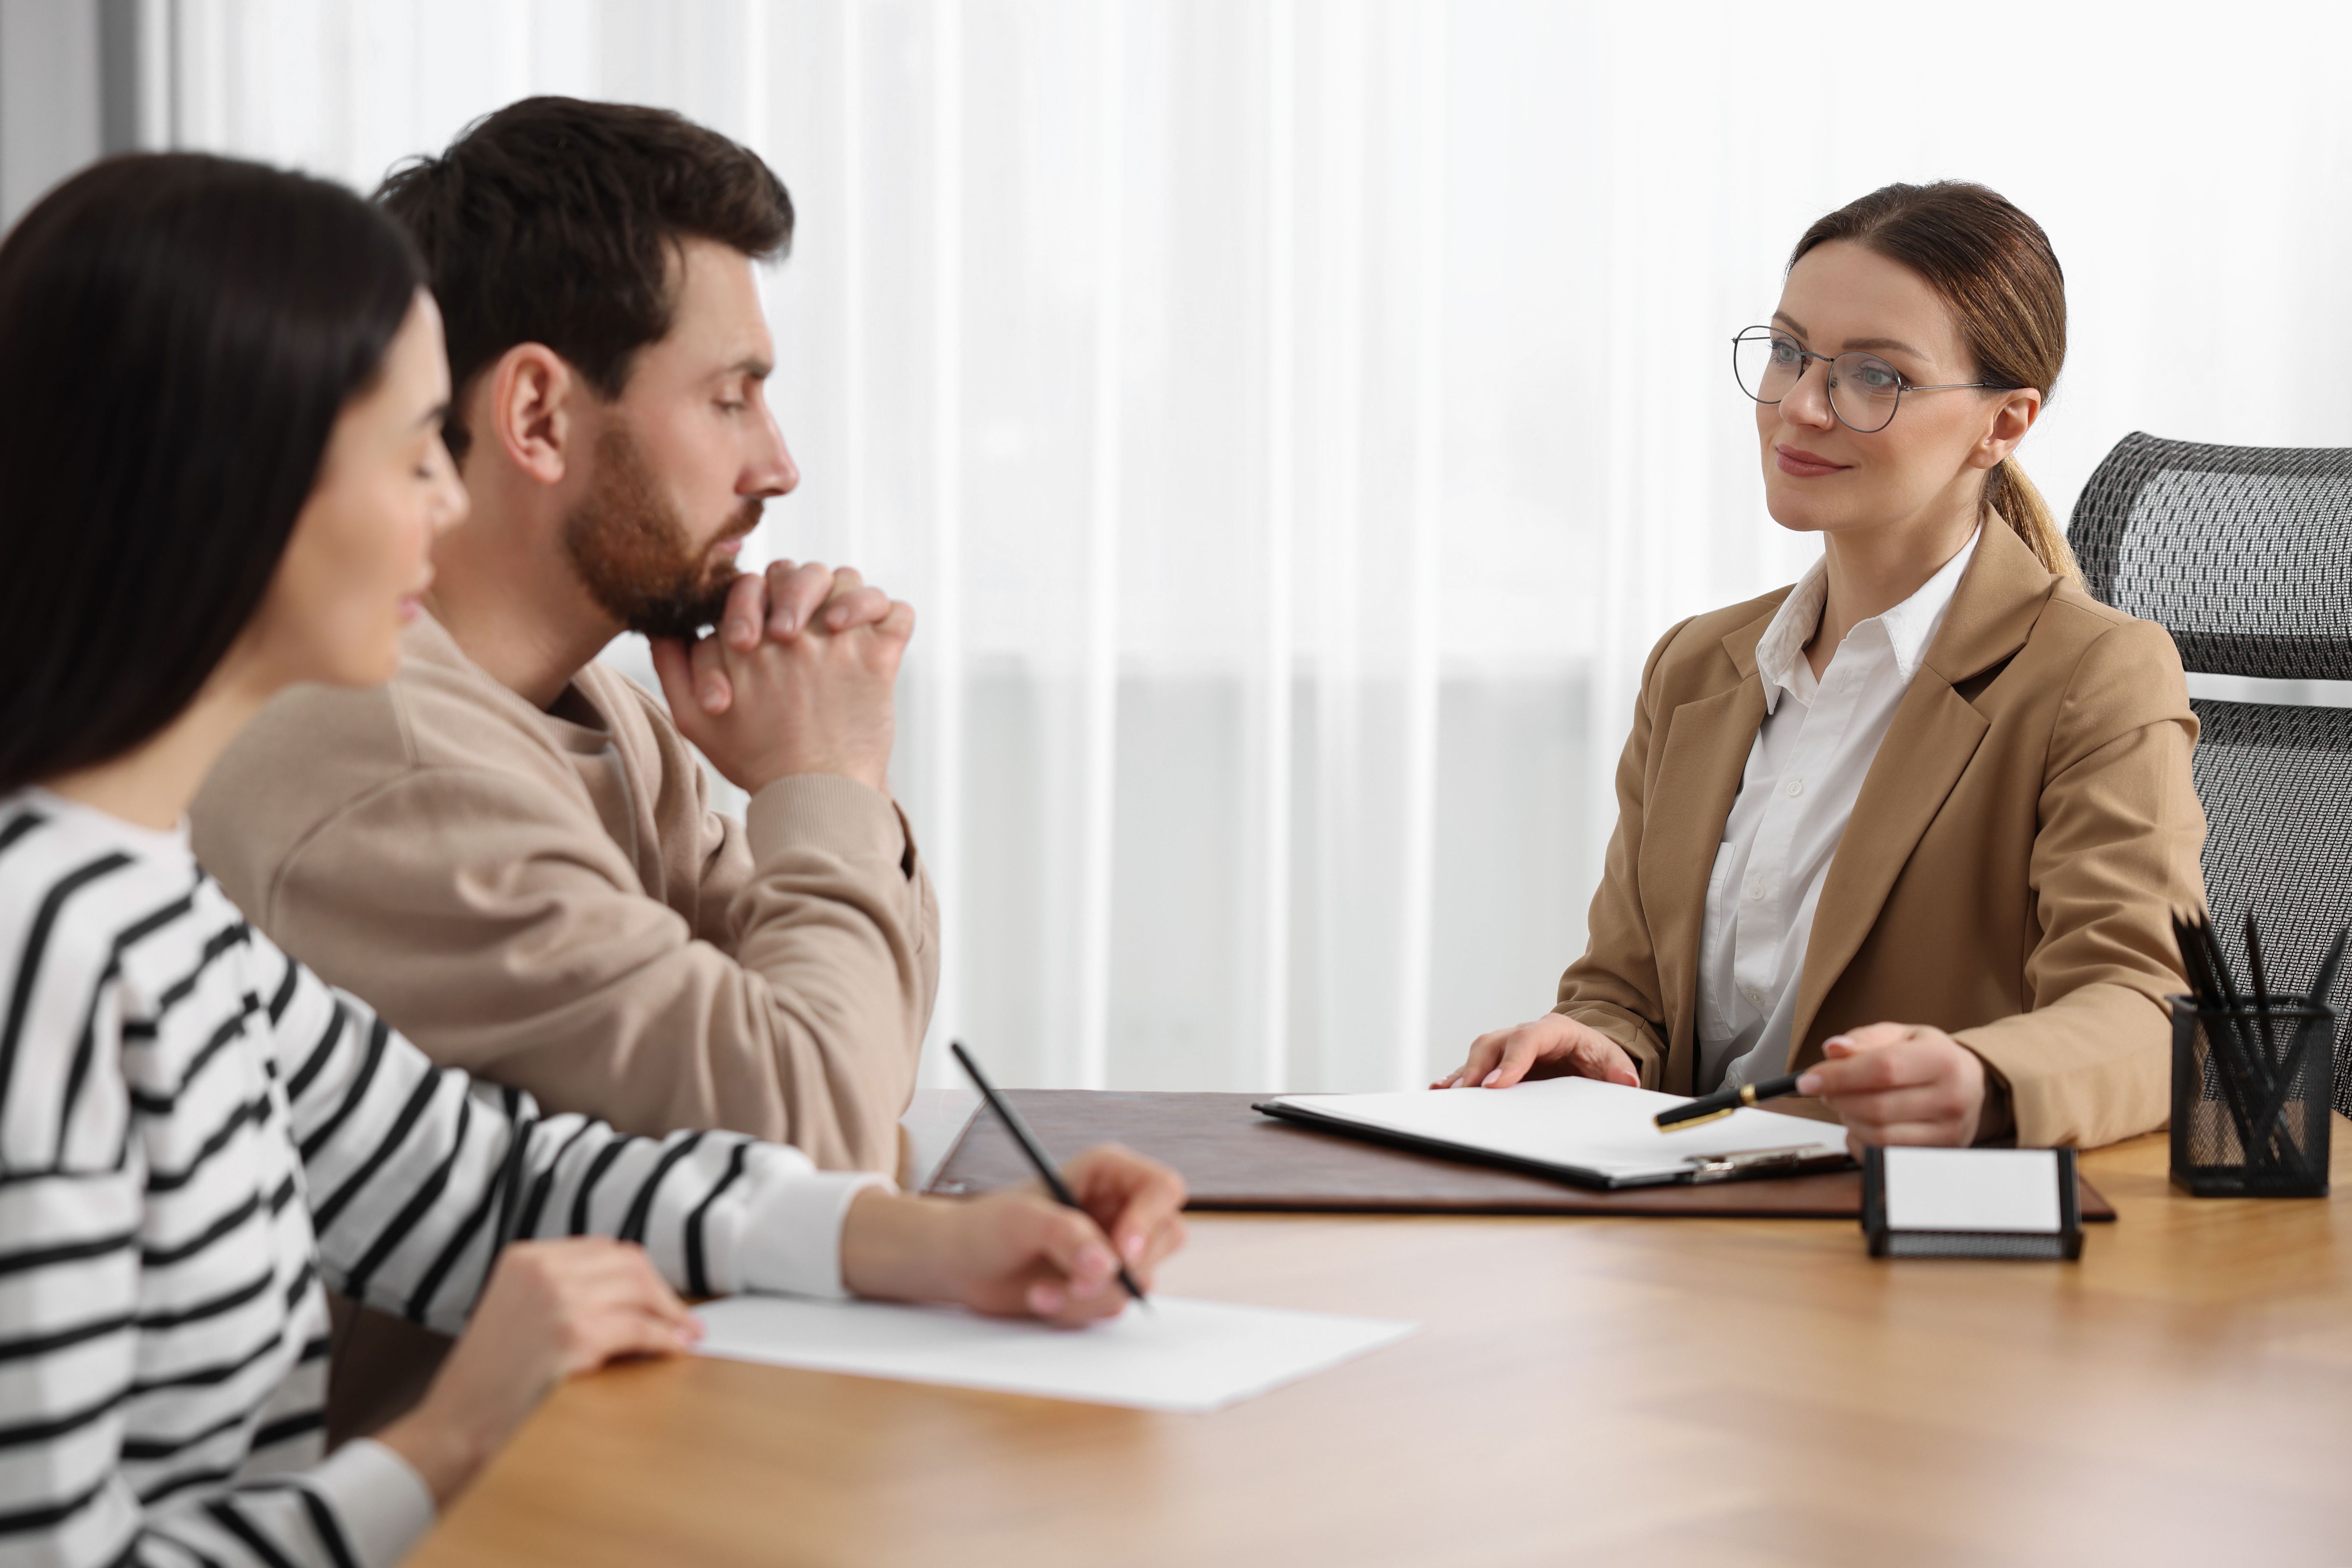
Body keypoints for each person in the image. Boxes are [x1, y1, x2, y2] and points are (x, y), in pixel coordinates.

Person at [0, 152, 1185, 1568]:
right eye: (406, 455)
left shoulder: (150, 907)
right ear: (225, 491)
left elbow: (488, 1181)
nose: (446, 507)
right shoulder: (45, 955)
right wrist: (438, 1450)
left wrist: (922, 1244)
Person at [190, 96, 927, 1177]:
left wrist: (823, 786)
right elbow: (817, 1125)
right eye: (732, 400)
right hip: (510, 1358)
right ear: (537, 415)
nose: (778, 467)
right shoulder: (396, 769)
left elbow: (857, 1047)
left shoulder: (602, 715)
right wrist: (827, 777)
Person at [1438, 181, 2204, 1151]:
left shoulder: (2094, 674)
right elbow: (1627, 992)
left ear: (2004, 425)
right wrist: (1594, 1044)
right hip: (1678, 1230)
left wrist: (1984, 1080)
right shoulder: (1696, 668)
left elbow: (2146, 1009)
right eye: (1791, 353)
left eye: (1875, 377)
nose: (1801, 406)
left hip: (1895, 1244)